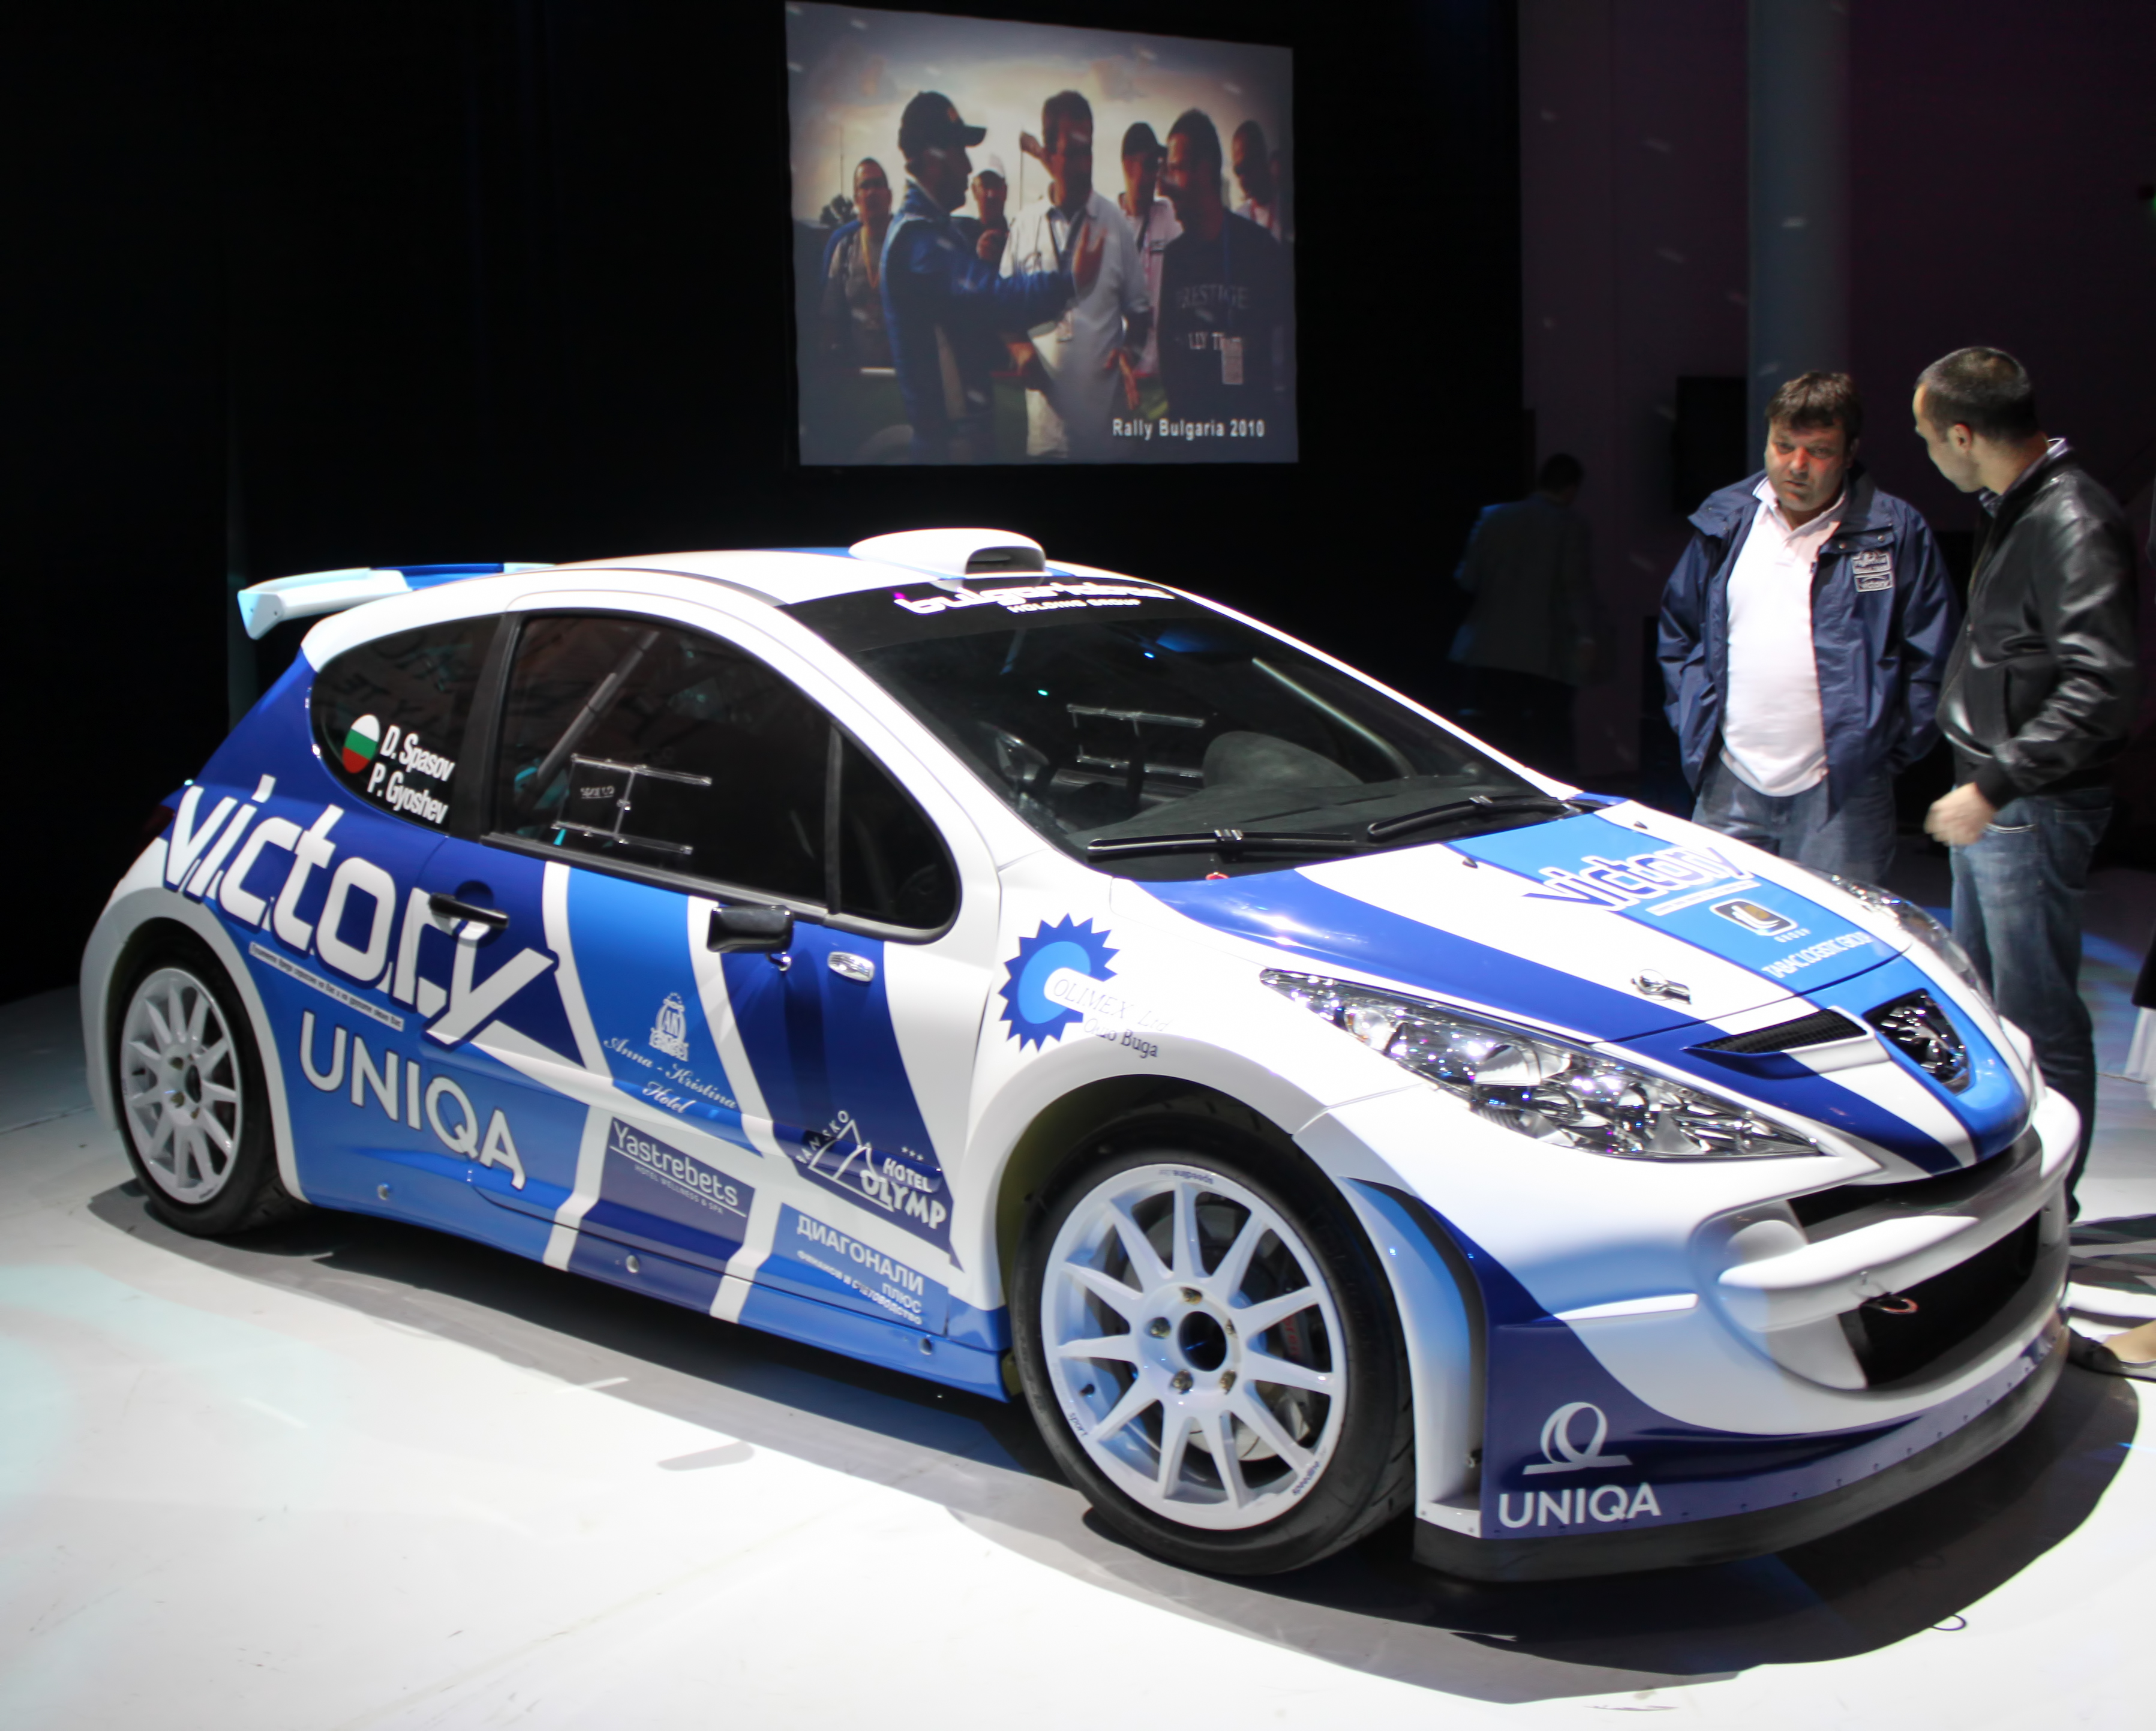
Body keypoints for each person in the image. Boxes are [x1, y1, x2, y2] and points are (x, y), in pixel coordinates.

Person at [1912, 347, 2140, 1209]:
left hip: (2028, 806)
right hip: (2001, 798)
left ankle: (2052, 1206)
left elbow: (2102, 687)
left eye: (1927, 437)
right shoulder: (2020, 506)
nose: (1928, 453)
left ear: (1963, 435)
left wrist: (1995, 785)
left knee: (2037, 1013)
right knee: (1989, 1009)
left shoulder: (2069, 516)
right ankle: (2008, 1198)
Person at [1658, 372, 1957, 882]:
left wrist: (1881, 751)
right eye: (1783, 446)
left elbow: (1933, 653)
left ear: (1849, 453)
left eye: (1818, 451)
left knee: (1838, 927)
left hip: (1844, 791)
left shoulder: (1893, 530)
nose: (1797, 466)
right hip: (1729, 780)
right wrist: (1694, 720)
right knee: (1721, 924)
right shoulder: (1725, 519)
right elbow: (1680, 631)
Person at [881, 92, 1101, 464]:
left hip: (959, 443)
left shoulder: (933, 232)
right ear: (933, 159)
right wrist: (1071, 280)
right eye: (960, 151)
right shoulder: (919, 242)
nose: (969, 167)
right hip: (951, 450)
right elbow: (998, 300)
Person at [1001, 92, 1149, 462]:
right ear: (1049, 154)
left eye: (1089, 150)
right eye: (1074, 152)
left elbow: (1141, 313)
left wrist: (1129, 351)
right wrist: (1019, 349)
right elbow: (1003, 311)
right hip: (1046, 442)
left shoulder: (1115, 224)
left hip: (1107, 445)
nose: (1086, 164)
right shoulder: (1024, 226)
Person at [1449, 453, 1598, 777]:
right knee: (1546, 739)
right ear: (1571, 489)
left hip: (1488, 647)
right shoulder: (1569, 525)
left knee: (1494, 737)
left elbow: (1467, 579)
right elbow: (1574, 588)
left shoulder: (1493, 517)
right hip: (1542, 652)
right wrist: (1586, 635)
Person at [1155, 109, 1292, 441]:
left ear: (1205, 171)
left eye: (1176, 168)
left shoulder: (1260, 248)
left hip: (1250, 442)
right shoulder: (1175, 258)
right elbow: (1168, 353)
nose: (1165, 185)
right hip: (1192, 442)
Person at [1116, 122, 1180, 394]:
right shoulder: (1109, 222)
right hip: (1122, 374)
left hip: (1162, 373)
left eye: (1157, 166)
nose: (1153, 175)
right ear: (1127, 166)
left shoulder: (1168, 214)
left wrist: (1169, 180)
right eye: (1148, 165)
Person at [818, 158, 895, 370]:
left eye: (878, 184)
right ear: (856, 199)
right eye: (865, 186)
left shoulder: (906, 245)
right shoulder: (845, 250)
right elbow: (830, 319)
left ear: (889, 196)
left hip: (903, 374)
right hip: (858, 375)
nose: (872, 192)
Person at [948, 156, 1008, 268]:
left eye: (996, 185)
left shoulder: (1018, 238)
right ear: (974, 191)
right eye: (986, 185)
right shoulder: (959, 234)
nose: (991, 194)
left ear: (1005, 191)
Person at [1231, 120, 1283, 239]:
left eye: (1247, 166)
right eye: (1238, 170)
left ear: (1262, 158)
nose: (1242, 179)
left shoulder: (1285, 209)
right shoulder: (1239, 219)